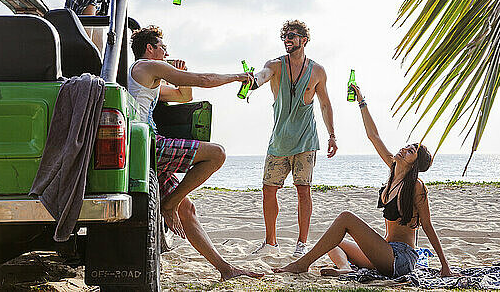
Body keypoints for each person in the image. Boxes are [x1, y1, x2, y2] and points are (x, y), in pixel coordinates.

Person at [273, 84, 453, 278]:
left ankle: (302, 264)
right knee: (334, 242)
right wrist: (361, 101)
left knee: (346, 218)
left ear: (415, 164)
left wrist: (445, 266)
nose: (405, 149)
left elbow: (427, 225)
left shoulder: (416, 186)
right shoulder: (393, 170)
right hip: (385, 251)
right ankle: (345, 268)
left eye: (411, 152)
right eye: (407, 146)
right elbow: (373, 136)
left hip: (400, 258)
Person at [128, 26, 262, 280]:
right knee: (217, 154)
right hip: (150, 145)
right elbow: (205, 81)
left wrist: (179, 74)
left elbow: (182, 95)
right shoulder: (146, 66)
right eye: (163, 48)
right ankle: (169, 203)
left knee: (187, 211)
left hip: (144, 152)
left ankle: (226, 269)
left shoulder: (147, 76)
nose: (166, 52)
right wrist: (238, 77)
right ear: (150, 48)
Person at [250, 20, 338, 258]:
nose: (287, 39)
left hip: (306, 141)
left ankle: (301, 244)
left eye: (291, 36)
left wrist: (332, 135)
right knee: (268, 190)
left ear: (304, 40)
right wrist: (253, 81)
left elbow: (325, 104)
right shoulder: (275, 65)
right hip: (279, 140)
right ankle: (271, 243)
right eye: (285, 36)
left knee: (303, 191)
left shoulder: (317, 71)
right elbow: (263, 75)